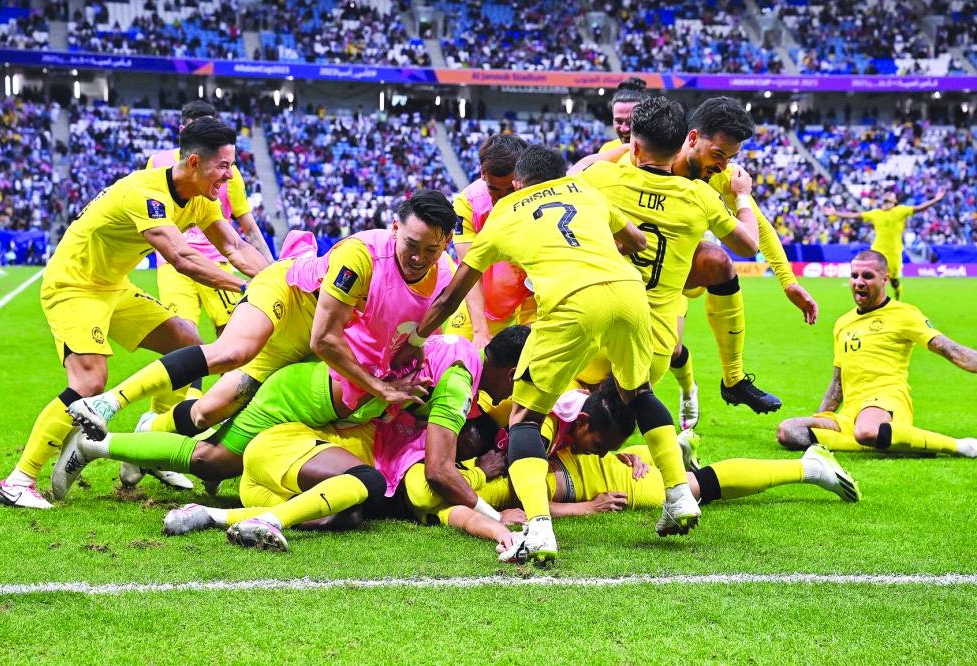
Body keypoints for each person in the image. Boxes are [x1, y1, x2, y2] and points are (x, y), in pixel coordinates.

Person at [394, 144, 700, 567]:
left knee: (525, 417)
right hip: (628, 293)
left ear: (518, 182)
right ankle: (679, 494)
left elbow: (452, 295)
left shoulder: (506, 212)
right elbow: (638, 240)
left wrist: (415, 339)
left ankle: (538, 528)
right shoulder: (587, 191)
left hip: (572, 301)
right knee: (639, 391)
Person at [0, 117, 270, 509]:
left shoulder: (201, 200)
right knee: (91, 380)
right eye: (223, 166)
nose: (229, 175)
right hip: (74, 284)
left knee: (189, 345)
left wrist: (278, 278)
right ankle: (18, 479)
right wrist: (244, 288)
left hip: (115, 286)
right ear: (194, 162)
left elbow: (236, 248)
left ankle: (154, 436)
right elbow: (181, 256)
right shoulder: (146, 191)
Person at [65, 190, 456, 443]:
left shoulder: (444, 276)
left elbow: (417, 330)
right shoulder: (360, 255)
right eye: (411, 244)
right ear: (394, 229)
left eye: (431, 250)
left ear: (446, 245)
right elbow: (325, 339)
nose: (419, 257)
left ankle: (149, 432)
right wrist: (380, 388)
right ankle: (108, 402)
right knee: (233, 351)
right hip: (288, 294)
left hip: (318, 331)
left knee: (209, 412)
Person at [151, 328, 528, 551]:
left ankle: (211, 515)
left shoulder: (419, 427)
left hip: (277, 482)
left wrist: (497, 527)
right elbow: (431, 484)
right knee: (369, 482)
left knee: (346, 516)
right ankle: (269, 521)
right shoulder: (436, 426)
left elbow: (450, 507)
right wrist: (480, 478)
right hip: (283, 445)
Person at [53, 327, 527, 504]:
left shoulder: (459, 349)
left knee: (217, 448)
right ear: (506, 367)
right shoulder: (462, 379)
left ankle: (135, 439)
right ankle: (98, 444)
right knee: (212, 459)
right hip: (300, 397)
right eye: (520, 382)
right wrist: (490, 510)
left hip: (332, 411)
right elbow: (441, 470)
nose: (516, 394)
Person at [575, 96, 815, 427]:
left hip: (671, 275)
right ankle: (682, 397)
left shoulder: (719, 179)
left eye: (731, 158)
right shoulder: (634, 156)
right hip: (623, 283)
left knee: (717, 262)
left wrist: (789, 283)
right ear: (691, 138)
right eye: (718, 154)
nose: (723, 164)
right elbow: (584, 169)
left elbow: (757, 230)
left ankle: (733, 380)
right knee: (653, 361)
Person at [407, 387, 860, 549]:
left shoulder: (533, 431)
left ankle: (807, 467)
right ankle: (805, 468)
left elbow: (520, 506)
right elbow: (514, 507)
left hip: (590, 478)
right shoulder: (524, 439)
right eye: (601, 442)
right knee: (693, 485)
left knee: (693, 485)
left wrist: (591, 486)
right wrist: (586, 508)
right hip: (584, 481)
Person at [122, 100, 273, 491]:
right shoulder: (157, 166)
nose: (224, 172)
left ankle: (197, 431)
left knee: (239, 351)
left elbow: (243, 230)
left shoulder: (227, 172)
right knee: (184, 340)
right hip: (177, 267)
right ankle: (161, 433)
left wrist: (275, 274)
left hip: (219, 269)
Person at [777, 250, 977, 457]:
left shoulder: (905, 314)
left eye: (867, 276)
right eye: (854, 276)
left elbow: (950, 349)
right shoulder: (842, 323)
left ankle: (960, 446)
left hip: (886, 403)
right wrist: (821, 417)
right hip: (851, 414)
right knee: (788, 431)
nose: (859, 282)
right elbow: (838, 382)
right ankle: (899, 443)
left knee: (867, 430)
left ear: (885, 279)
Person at [447, 134, 534, 348]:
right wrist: (479, 331)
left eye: (511, 189)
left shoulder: (539, 197)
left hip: (530, 299)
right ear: (482, 174)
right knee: (456, 358)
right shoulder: (466, 204)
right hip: (482, 304)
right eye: (494, 189)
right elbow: (469, 272)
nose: (502, 198)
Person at [823, 189, 946, 301]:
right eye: (884, 197)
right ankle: (871, 300)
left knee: (894, 282)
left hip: (893, 252)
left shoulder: (900, 211)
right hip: (877, 251)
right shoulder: (875, 213)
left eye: (889, 197)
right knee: (871, 275)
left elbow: (919, 208)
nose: (886, 198)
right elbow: (856, 216)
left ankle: (897, 298)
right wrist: (836, 213)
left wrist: (935, 199)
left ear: (894, 201)